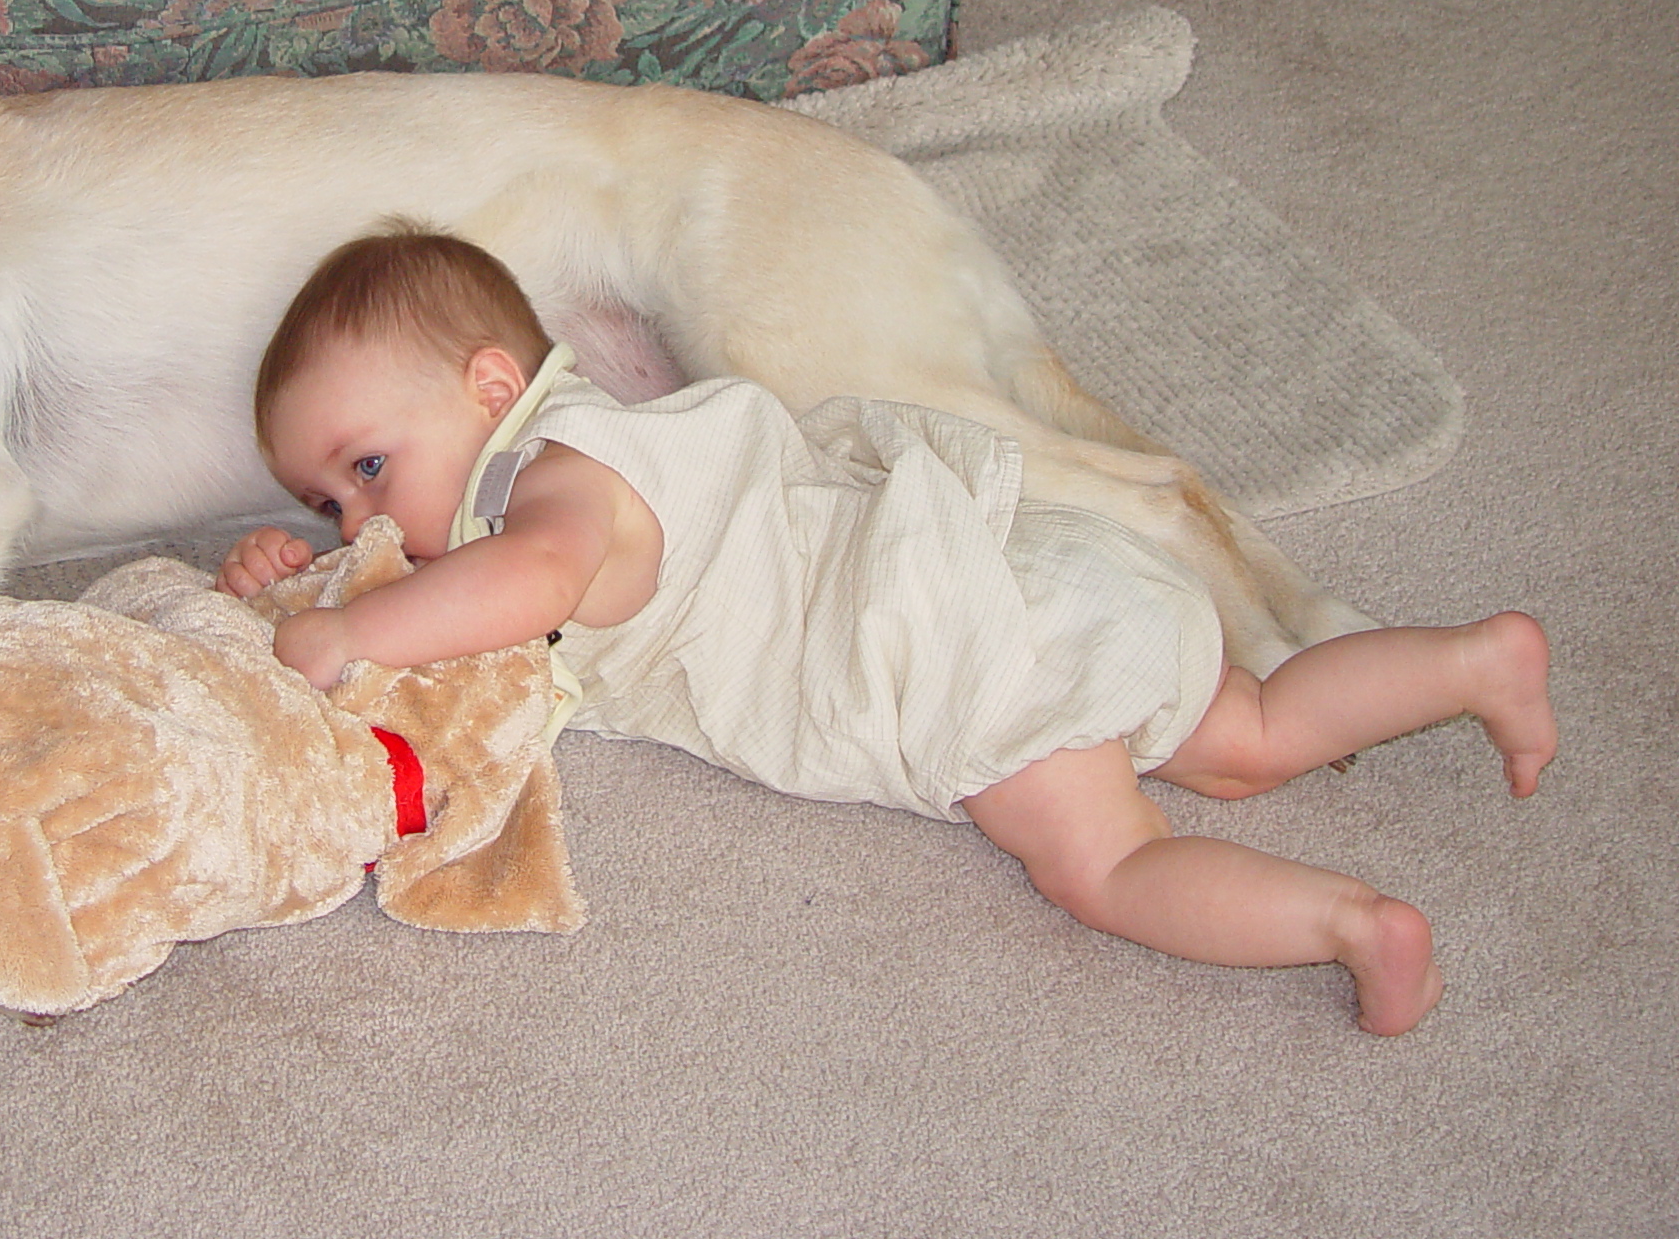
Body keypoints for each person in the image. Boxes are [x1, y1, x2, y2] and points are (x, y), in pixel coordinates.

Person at [218, 231, 1553, 1038]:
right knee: (1245, 736)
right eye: (329, 500)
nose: (359, 512)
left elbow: (530, 583)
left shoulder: (557, 493)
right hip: (1035, 572)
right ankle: (1469, 663)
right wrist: (310, 577)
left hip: (951, 654)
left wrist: (355, 635)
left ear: (494, 389)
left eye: (369, 468)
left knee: (1108, 867)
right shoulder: (610, 447)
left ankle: (1350, 928)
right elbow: (466, 595)